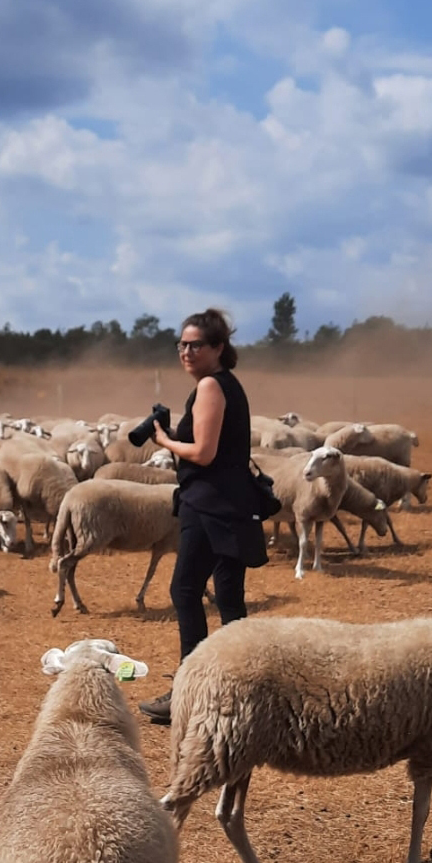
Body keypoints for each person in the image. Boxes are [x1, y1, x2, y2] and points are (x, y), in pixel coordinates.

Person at [138, 307, 266, 725]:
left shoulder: (211, 386)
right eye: (182, 344)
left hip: (209, 507)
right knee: (229, 598)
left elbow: (204, 453)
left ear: (218, 348)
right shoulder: (227, 385)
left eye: (196, 344)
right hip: (232, 505)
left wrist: (163, 440)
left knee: (186, 591)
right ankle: (244, 690)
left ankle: (188, 692)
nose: (187, 351)